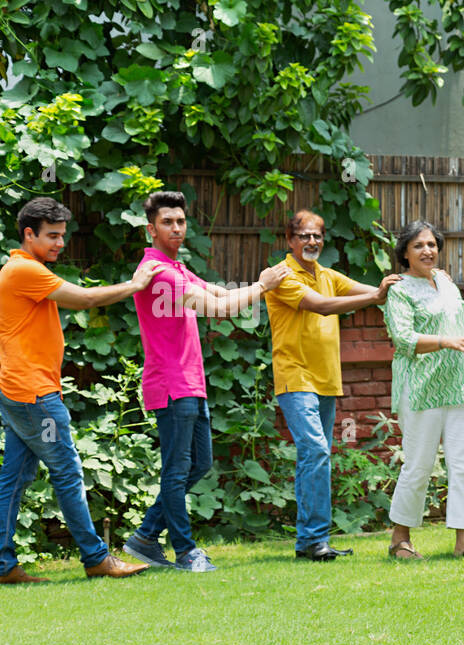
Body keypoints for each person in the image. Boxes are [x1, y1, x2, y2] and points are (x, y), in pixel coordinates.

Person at [123, 190, 288, 573]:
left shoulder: (179, 268)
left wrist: (259, 286)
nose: (177, 228)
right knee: (177, 471)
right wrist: (262, 287)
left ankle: (145, 537)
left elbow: (224, 293)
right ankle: (185, 550)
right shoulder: (159, 273)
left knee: (199, 465)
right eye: (168, 222)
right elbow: (218, 309)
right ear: (151, 229)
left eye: (181, 221)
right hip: (170, 384)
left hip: (191, 383)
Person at [0, 197, 163, 583]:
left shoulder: (22, 269)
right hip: (35, 396)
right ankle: (96, 558)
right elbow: (85, 299)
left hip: (20, 392)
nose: (60, 243)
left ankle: (3, 565)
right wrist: (136, 284)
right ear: (28, 234)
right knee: (67, 471)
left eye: (62, 235)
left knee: (15, 476)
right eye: (52, 236)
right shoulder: (24, 271)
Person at [262, 209, 402, 561]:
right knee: (316, 451)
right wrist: (376, 297)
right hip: (295, 377)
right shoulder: (282, 276)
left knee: (317, 455)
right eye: (305, 236)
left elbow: (377, 291)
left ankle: (312, 540)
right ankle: (312, 538)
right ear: (290, 240)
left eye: (317, 236)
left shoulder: (326, 274)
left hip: (325, 379)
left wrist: (413, 282)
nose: (312, 242)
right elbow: (322, 307)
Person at [382, 221, 464, 560]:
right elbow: (404, 339)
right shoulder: (399, 291)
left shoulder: (445, 282)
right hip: (421, 390)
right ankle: (400, 540)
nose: (427, 250)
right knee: (418, 464)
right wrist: (446, 341)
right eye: (418, 246)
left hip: (460, 387)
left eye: (431, 244)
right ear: (405, 253)